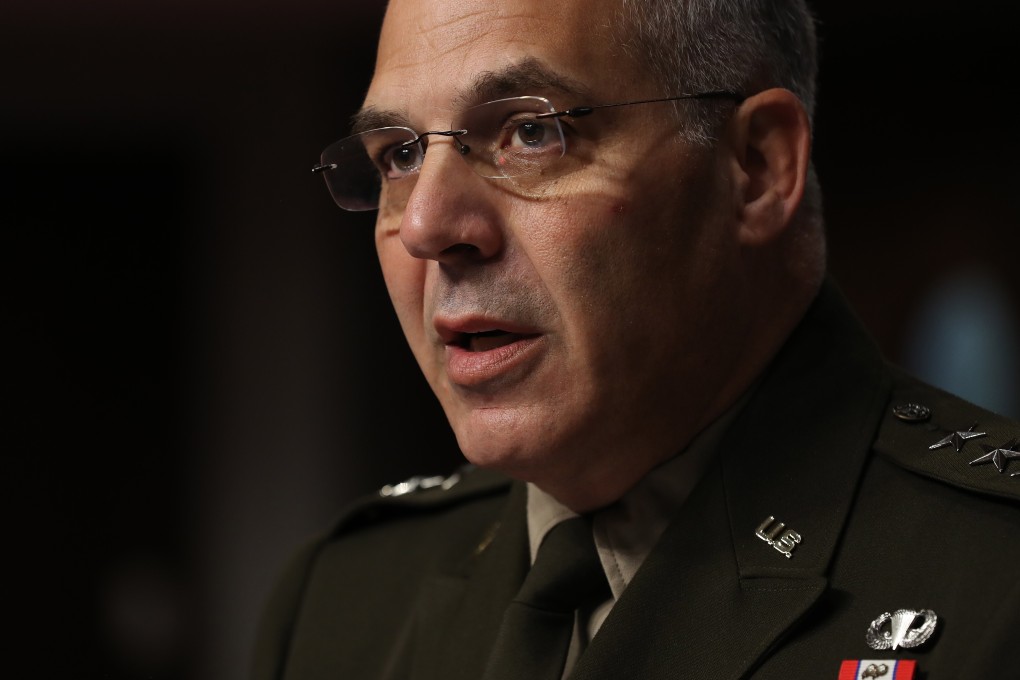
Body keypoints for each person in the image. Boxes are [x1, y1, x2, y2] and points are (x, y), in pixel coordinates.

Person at [252, 0, 1019, 678]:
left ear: (755, 166)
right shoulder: (342, 600)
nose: (426, 226)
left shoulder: (995, 579)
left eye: (530, 132)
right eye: (400, 156)